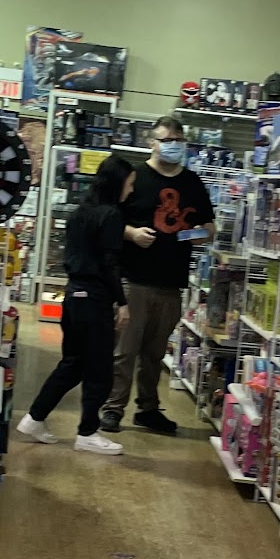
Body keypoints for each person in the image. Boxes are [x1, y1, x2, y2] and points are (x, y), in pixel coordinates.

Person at [18, 153, 153, 455]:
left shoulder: (81, 211)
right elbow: (109, 264)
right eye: (130, 184)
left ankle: (34, 417)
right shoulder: (112, 215)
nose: (131, 190)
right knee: (100, 370)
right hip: (94, 300)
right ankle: (88, 432)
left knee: (73, 364)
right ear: (118, 183)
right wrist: (122, 302)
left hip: (74, 296)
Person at [99, 116, 215, 435]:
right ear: (152, 142)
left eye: (178, 140)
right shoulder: (135, 177)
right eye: (166, 140)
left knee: (155, 353)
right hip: (133, 279)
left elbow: (209, 229)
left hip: (171, 282)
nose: (173, 146)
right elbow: (108, 220)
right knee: (125, 351)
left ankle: (148, 410)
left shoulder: (192, 183)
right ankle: (113, 408)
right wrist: (132, 234)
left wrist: (189, 236)